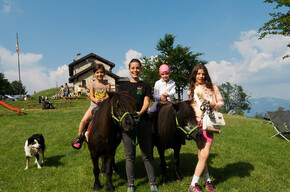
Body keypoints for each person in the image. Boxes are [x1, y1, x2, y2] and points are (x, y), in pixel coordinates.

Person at [118, 59, 158, 192]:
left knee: (147, 154)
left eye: (138, 68)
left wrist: (140, 113)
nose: (135, 70)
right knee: (130, 156)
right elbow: (121, 105)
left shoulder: (145, 85)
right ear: (129, 69)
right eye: (133, 68)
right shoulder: (123, 86)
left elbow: (146, 101)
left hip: (144, 122)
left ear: (141, 69)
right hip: (128, 124)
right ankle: (131, 185)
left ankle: (152, 183)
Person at [187, 64, 224, 192]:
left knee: (205, 153)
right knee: (201, 154)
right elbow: (191, 108)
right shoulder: (191, 90)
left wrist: (213, 104)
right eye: (198, 74)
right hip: (197, 124)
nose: (201, 76)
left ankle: (193, 184)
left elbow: (221, 102)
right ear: (194, 75)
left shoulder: (213, 87)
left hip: (209, 123)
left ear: (206, 74)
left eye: (203, 74)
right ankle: (208, 180)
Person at [72, 64, 111, 149]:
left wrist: (104, 99)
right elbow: (91, 96)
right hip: (93, 106)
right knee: (84, 120)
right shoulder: (92, 84)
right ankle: (79, 138)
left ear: (104, 73)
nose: (99, 74)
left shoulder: (107, 85)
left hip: (104, 107)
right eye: (97, 72)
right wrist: (96, 100)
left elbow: (108, 96)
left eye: (101, 72)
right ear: (94, 74)